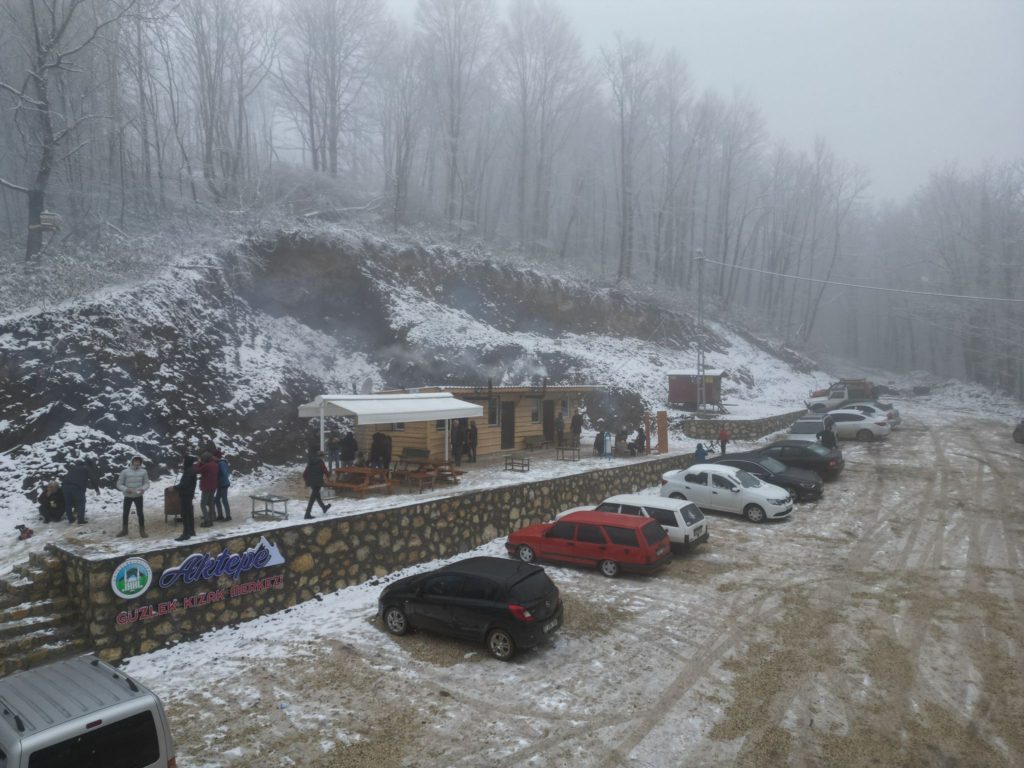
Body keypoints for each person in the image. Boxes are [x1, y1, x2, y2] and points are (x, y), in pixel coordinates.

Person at [115, 456, 150, 538]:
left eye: (138, 461)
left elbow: (147, 483)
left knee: (140, 513)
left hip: (138, 496)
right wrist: (126, 489)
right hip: (128, 495)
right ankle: (124, 530)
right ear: (132, 462)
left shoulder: (144, 472)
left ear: (140, 463)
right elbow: (119, 484)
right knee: (125, 513)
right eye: (135, 461)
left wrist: (143, 488)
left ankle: (142, 531)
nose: (137, 463)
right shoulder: (125, 472)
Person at [63, 455, 100, 524]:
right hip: (77, 487)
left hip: (65, 486)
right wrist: (97, 489)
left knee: (68, 503)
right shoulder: (86, 468)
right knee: (81, 502)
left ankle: (70, 519)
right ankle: (80, 520)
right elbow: (93, 479)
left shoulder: (73, 468)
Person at [174, 455, 198, 542]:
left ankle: (186, 533)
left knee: (185, 514)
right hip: (189, 494)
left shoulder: (189, 471)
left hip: (186, 495)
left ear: (187, 462)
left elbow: (184, 484)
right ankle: (191, 531)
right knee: (189, 513)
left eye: (184, 462)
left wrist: (174, 488)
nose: (183, 463)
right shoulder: (191, 469)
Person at [303, 452, 332, 519]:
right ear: (322, 457)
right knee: (312, 498)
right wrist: (329, 475)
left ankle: (324, 507)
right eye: (323, 457)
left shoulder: (310, 462)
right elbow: (326, 472)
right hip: (318, 482)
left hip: (311, 482)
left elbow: (304, 474)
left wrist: (306, 481)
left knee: (316, 495)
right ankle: (307, 514)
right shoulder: (321, 462)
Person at [196, 453, 219, 527]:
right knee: (211, 503)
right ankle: (213, 517)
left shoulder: (207, 465)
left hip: (206, 487)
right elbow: (207, 474)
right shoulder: (215, 465)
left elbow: (198, 470)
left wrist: (200, 463)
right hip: (213, 486)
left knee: (203, 504)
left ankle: (207, 520)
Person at [215, 451, 232, 521]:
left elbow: (225, 473)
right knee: (217, 499)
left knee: (224, 500)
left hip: (223, 484)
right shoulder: (221, 462)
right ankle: (220, 515)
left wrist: (219, 476)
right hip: (221, 484)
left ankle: (228, 516)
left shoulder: (221, 463)